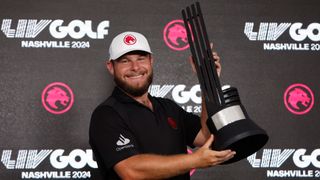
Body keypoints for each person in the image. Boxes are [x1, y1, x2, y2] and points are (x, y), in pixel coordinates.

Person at [89, 31, 236, 180]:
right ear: (111, 67)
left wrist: (207, 82)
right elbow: (130, 171)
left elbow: (206, 138)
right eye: (125, 61)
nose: (135, 67)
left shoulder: (169, 108)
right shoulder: (106, 114)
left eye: (141, 58)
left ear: (151, 61)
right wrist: (195, 160)